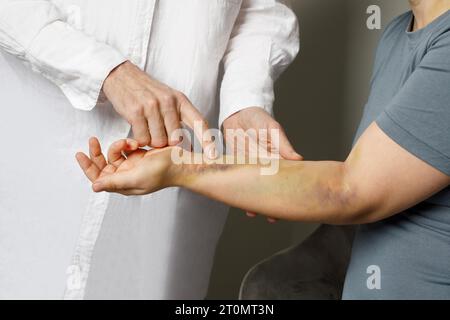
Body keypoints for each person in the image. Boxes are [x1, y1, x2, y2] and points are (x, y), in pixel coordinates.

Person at [78, 0, 450, 299]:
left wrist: (177, 168)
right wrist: (265, 183)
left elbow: (348, 190)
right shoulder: (397, 36)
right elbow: (368, 196)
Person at [0, 0, 300, 299]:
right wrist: (104, 70)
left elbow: (263, 7)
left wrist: (245, 97)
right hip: (38, 135)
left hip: (178, 160)